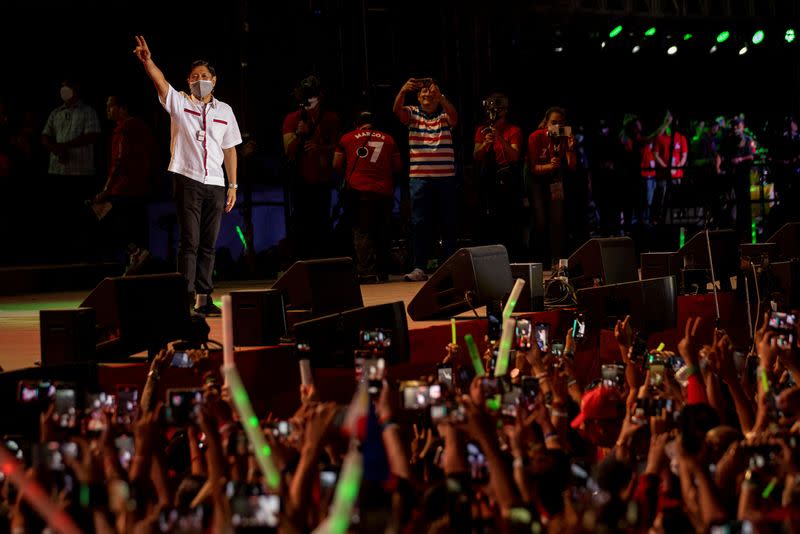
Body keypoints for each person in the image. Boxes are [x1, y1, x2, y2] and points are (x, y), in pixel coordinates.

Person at [133, 35, 242, 316]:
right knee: (189, 241)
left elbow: (230, 151)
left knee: (209, 242)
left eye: (204, 75)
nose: (199, 79)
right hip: (187, 178)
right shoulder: (179, 103)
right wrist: (148, 62)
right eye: (194, 76)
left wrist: (232, 185)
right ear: (188, 81)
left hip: (216, 183)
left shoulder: (225, 111)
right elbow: (160, 82)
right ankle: (184, 298)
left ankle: (204, 300)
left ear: (214, 80)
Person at [393, 77, 459, 281]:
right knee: (419, 223)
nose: (427, 95)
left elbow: (455, 118)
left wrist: (442, 98)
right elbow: (397, 111)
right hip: (420, 177)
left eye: (431, 93)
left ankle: (449, 267)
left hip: (445, 177)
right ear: (418, 98)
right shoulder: (413, 112)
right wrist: (403, 91)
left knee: (448, 222)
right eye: (423, 93)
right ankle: (419, 267)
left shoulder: (444, 115)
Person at [89, 93, 158, 268]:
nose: (108, 110)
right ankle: (136, 259)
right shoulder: (142, 127)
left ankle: (135, 252)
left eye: (111, 106)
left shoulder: (124, 129)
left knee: (105, 220)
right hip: (140, 188)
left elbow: (120, 160)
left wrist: (106, 189)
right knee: (133, 227)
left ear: (123, 108)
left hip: (123, 189)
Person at [333, 111, 402, 283]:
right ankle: (383, 271)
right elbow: (398, 166)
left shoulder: (346, 138)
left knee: (362, 231)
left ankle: (366, 272)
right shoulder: (389, 139)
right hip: (384, 191)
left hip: (358, 191)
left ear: (357, 124)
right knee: (383, 232)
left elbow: (336, 164)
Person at [41, 78, 102, 260]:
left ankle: (82, 253)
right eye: (62, 87)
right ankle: (61, 252)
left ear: (76, 89)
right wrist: (56, 148)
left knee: (81, 216)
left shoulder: (88, 111)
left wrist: (65, 146)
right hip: (58, 172)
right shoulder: (56, 113)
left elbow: (92, 135)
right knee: (60, 215)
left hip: (80, 174)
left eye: (68, 86)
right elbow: (45, 135)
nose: (64, 90)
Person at [282, 75, 340, 260]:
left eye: (311, 95)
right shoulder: (292, 119)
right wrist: (300, 134)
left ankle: (323, 261)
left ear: (320, 96)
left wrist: (320, 148)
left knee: (322, 222)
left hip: (323, 179)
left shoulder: (330, 118)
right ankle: (301, 263)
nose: (307, 101)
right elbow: (288, 151)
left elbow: (340, 148)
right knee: (301, 223)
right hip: (300, 180)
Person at [473, 92, 523, 259]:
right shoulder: (481, 130)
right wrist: (486, 143)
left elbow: (515, 156)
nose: (495, 114)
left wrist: (500, 138)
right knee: (488, 217)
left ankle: (512, 255)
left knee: (508, 217)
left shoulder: (514, 130)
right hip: (487, 176)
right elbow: (476, 155)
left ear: (505, 111)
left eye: (499, 110)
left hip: (507, 175)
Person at [526, 106, 576, 267]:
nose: (556, 126)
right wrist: (549, 165)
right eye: (553, 122)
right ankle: (537, 260)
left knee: (558, 220)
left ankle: (557, 262)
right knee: (540, 221)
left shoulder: (563, 136)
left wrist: (570, 148)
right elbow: (533, 168)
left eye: (560, 123)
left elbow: (572, 165)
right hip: (538, 180)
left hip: (555, 179)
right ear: (546, 123)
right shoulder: (536, 137)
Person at [720, 116, 756, 241]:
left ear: (742, 127)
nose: (735, 129)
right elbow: (722, 155)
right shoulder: (728, 140)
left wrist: (740, 159)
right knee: (730, 203)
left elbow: (751, 156)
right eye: (734, 126)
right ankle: (732, 230)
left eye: (738, 126)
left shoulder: (748, 139)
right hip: (731, 177)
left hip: (743, 176)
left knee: (744, 203)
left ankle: (745, 230)